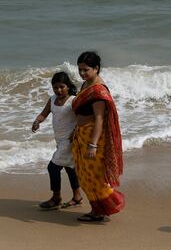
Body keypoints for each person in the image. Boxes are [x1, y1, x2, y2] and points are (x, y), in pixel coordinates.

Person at [71, 51, 125, 221]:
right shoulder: (85, 85)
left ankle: (101, 209)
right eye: (80, 69)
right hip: (81, 135)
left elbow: (100, 119)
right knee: (84, 174)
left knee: (94, 177)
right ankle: (97, 209)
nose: (82, 73)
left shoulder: (98, 92)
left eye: (86, 70)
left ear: (96, 69)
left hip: (92, 138)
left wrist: (93, 144)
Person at [32, 72, 83, 210]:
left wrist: (75, 131)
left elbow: (82, 118)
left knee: (52, 167)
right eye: (55, 87)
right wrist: (37, 121)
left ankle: (56, 198)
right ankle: (77, 196)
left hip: (70, 140)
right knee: (69, 167)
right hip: (60, 140)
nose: (59, 90)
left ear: (68, 86)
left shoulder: (73, 100)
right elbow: (44, 113)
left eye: (62, 87)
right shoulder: (52, 99)